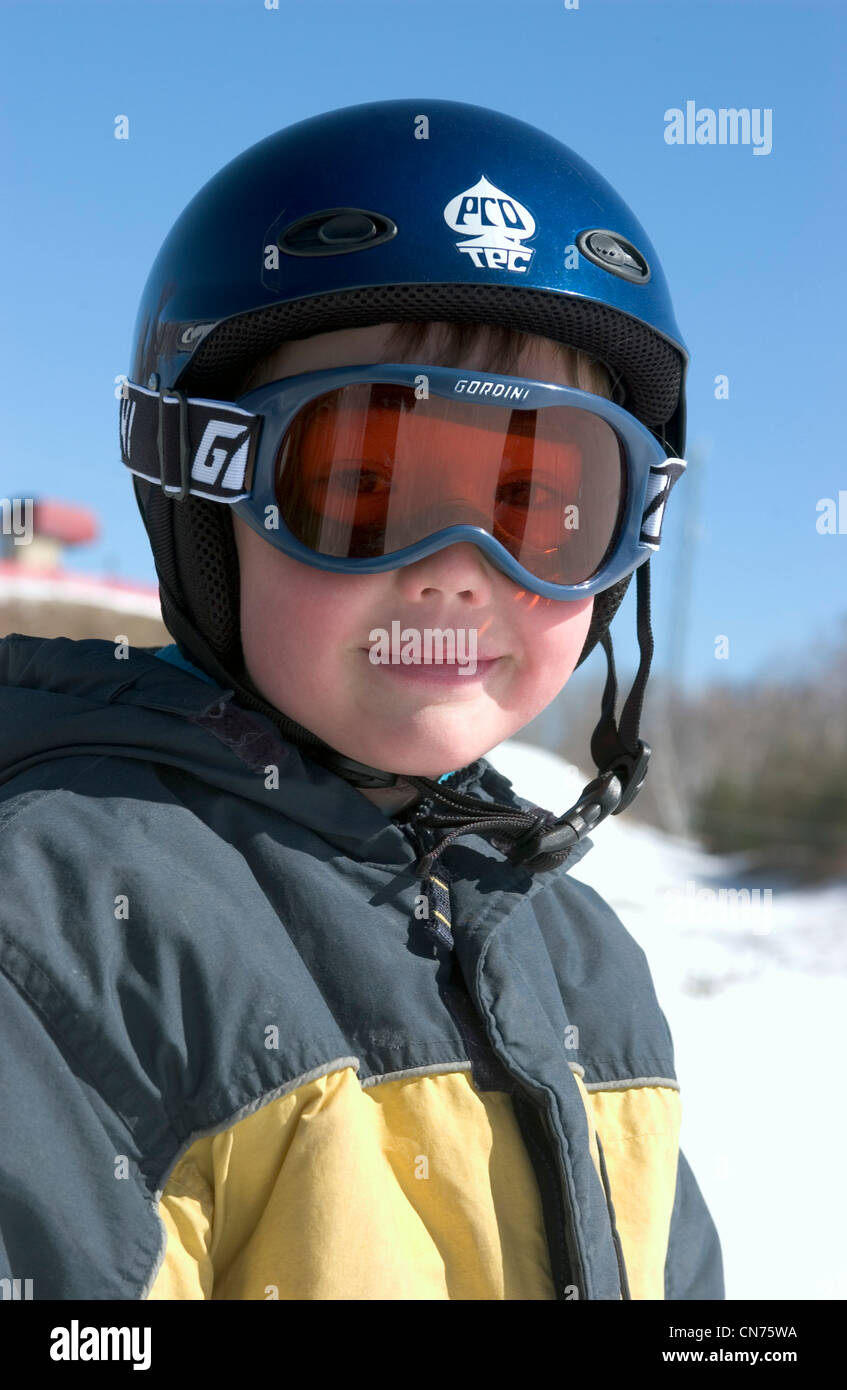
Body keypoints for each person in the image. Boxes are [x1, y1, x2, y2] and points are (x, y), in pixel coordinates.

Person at [0, 98, 723, 1300]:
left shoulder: (589, 965)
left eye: (541, 503)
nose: (457, 568)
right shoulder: (63, 929)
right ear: (202, 488)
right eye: (363, 484)